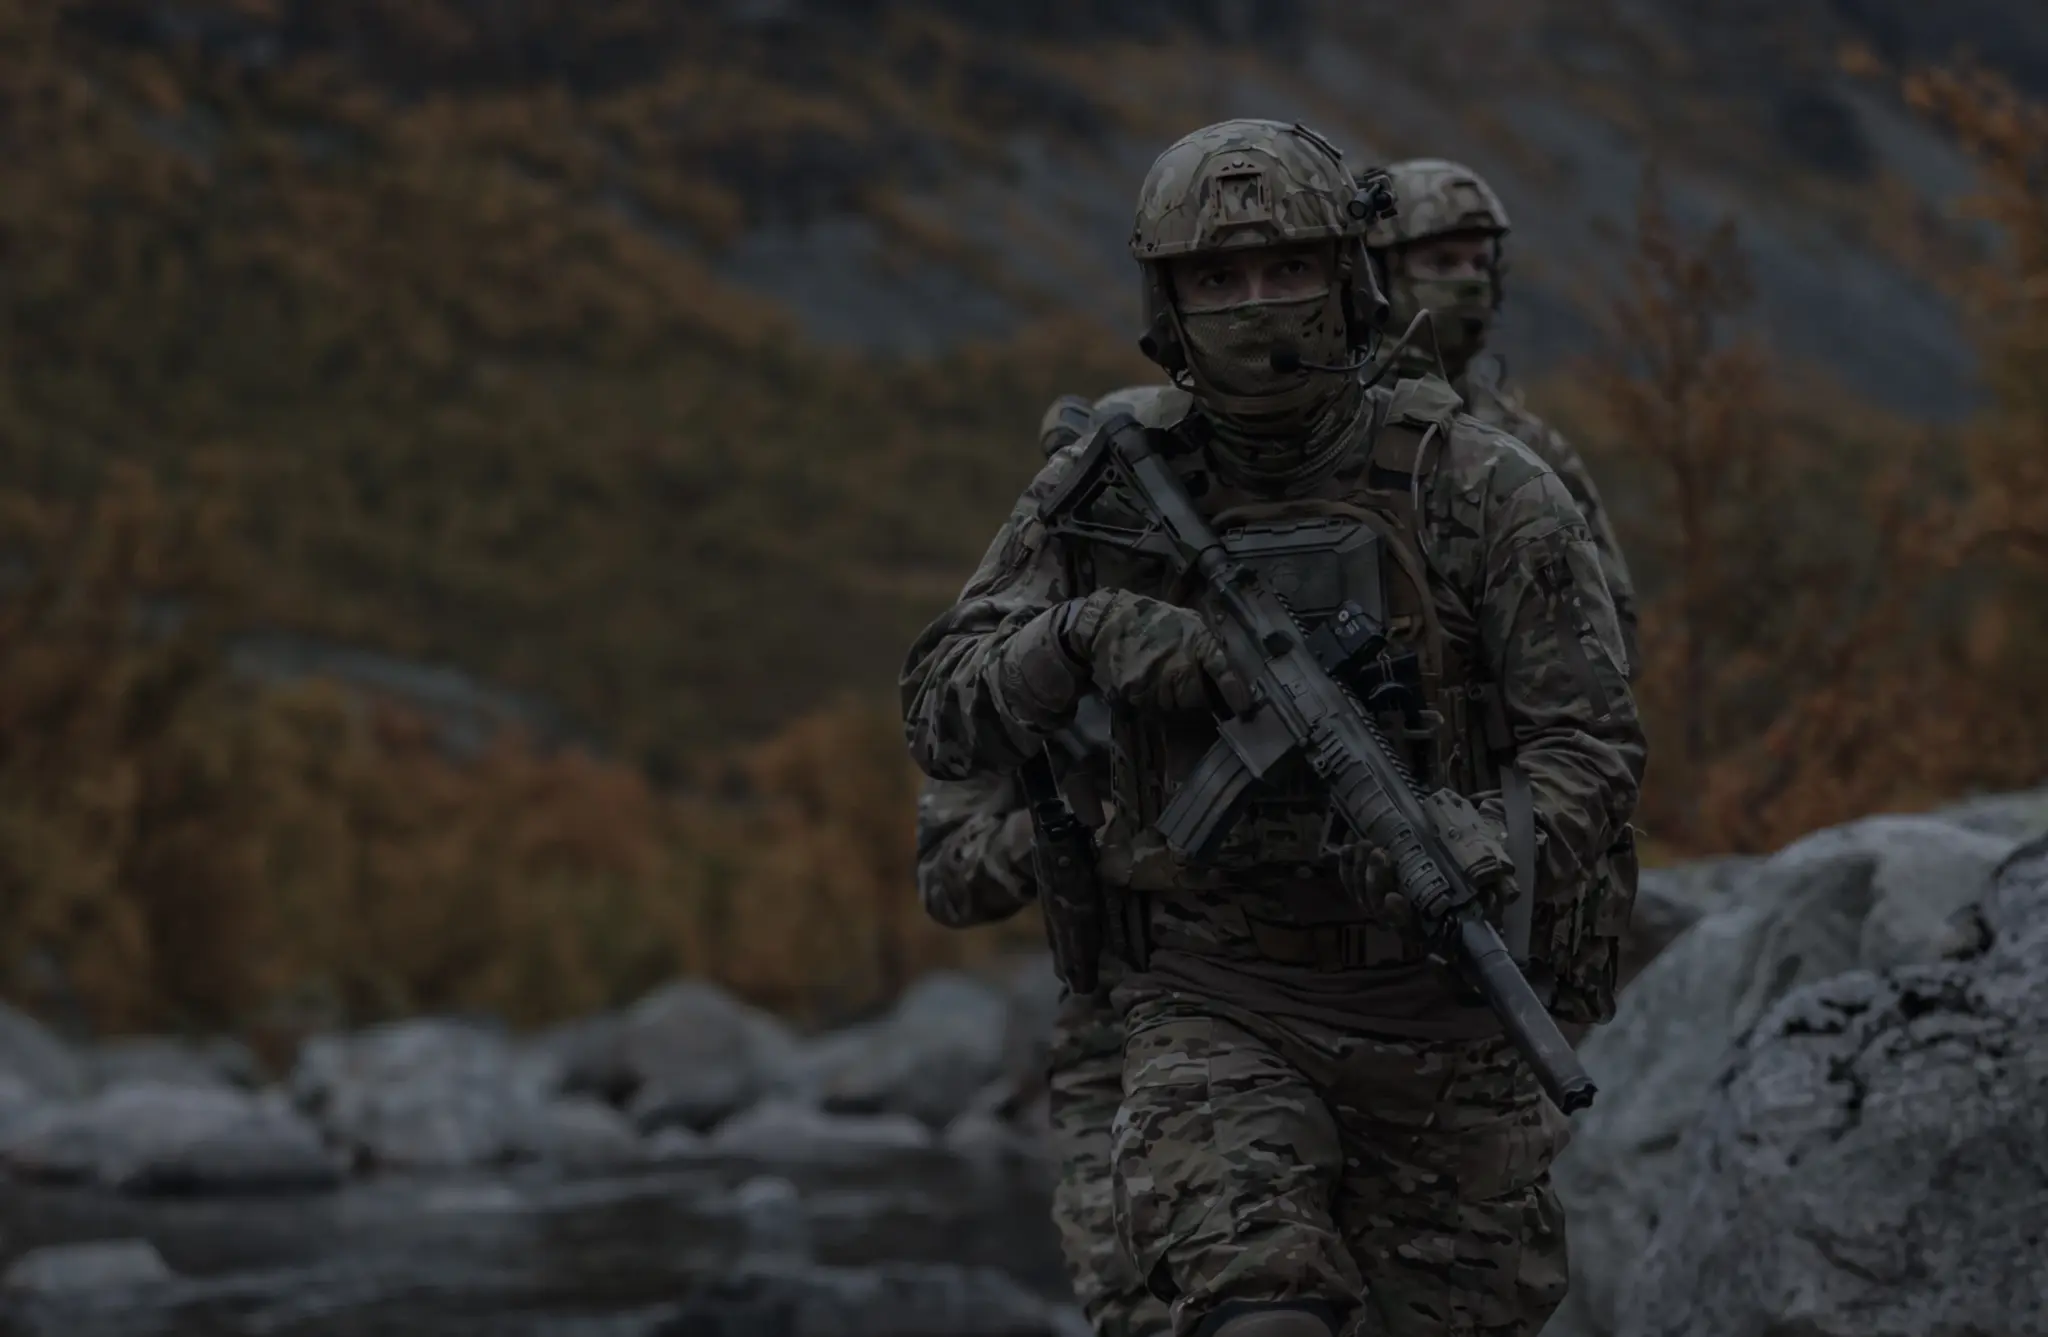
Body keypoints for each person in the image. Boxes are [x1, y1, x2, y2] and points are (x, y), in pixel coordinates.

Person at [901, 118, 1643, 1337]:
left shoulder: (1481, 484)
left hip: (1444, 1017)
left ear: (1347, 277)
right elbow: (938, 707)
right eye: (1216, 279)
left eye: (1287, 267)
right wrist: (1076, 638)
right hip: (1213, 998)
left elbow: (1593, 745)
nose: (1255, 307)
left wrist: (1488, 836)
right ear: (1166, 302)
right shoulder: (1102, 491)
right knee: (1254, 1307)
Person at [914, 391, 1176, 1337]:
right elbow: (946, 877)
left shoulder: (1226, 619)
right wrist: (1058, 830)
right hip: (1114, 1027)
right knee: (1137, 1307)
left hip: (1288, 1009)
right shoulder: (1014, 664)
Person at [1366, 159, 1638, 671]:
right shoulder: (1330, 428)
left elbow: (1612, 636)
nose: (1469, 282)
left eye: (1479, 263)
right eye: (1443, 263)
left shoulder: (1531, 448)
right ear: (1377, 275)